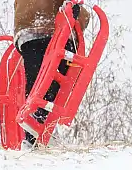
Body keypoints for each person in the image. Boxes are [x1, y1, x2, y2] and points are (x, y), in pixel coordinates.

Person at [14, 0, 91, 146]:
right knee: (54, 85)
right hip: (51, 29)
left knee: (36, 81)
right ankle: (40, 130)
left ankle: (34, 131)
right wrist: (82, 14)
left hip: (26, 32)